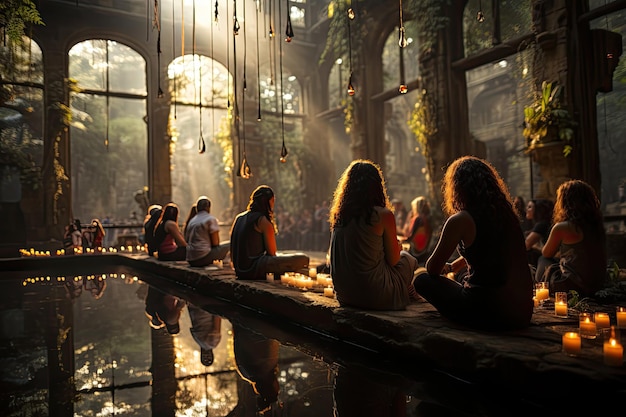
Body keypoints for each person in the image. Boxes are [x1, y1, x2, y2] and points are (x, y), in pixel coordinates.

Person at [412, 156, 533, 330]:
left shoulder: (461, 219)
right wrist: (453, 267)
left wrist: (444, 267)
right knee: (462, 278)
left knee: (422, 280)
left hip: (487, 310)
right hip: (521, 312)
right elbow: (486, 253)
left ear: (458, 188)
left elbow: (432, 268)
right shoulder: (507, 216)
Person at [329, 160, 418, 311]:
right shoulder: (382, 215)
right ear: (377, 186)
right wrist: (396, 247)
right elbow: (394, 260)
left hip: (344, 295)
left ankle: (405, 291)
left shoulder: (340, 216)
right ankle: (406, 293)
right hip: (374, 295)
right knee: (408, 259)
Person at [535, 180, 607, 297]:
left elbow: (547, 253)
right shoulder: (596, 227)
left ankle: (541, 290)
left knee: (543, 260)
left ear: (564, 202)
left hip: (573, 286)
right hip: (596, 284)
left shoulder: (563, 227)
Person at [229, 185, 309, 280]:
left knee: (285, 254)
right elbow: (272, 252)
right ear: (269, 201)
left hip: (239, 269)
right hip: (254, 268)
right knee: (303, 258)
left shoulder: (239, 217)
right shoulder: (262, 220)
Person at [233, 323, 280, 413]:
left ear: (272, 387)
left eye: (277, 392)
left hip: (256, 323)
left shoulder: (267, 365)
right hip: (241, 323)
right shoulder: (246, 374)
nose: (279, 388)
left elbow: (273, 335)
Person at [185, 196, 230, 267]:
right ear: (208, 207)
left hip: (191, 259)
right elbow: (215, 243)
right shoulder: (210, 219)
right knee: (230, 244)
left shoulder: (192, 221)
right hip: (202, 257)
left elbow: (187, 239)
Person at [401, 196, 433, 263]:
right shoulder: (428, 219)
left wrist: (400, 240)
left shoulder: (418, 219)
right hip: (425, 250)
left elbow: (410, 237)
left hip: (415, 251)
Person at [525, 198, 554, 266]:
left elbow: (526, 245)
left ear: (537, 210)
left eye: (529, 207)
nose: (526, 209)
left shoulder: (541, 224)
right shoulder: (543, 223)